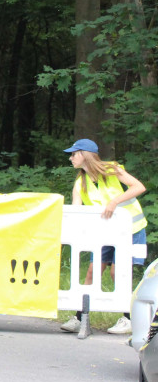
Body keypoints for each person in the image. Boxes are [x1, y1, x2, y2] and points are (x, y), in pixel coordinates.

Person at [60, 138, 148, 335]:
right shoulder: (80, 182)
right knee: (92, 273)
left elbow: (138, 187)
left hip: (130, 230)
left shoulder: (112, 170)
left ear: (84, 155)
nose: (71, 158)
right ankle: (80, 317)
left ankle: (129, 319)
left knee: (118, 273)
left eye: (73, 154)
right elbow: (76, 210)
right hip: (104, 234)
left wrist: (114, 202)